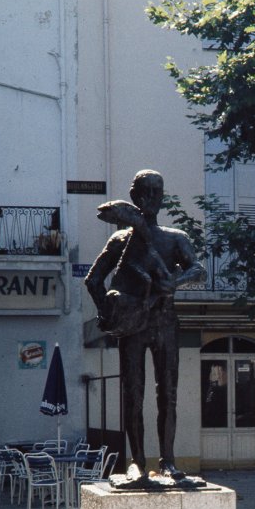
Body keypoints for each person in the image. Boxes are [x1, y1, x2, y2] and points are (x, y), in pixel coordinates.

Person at [85, 169, 206, 480]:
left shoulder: (174, 238)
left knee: (168, 393)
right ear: (135, 196)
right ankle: (137, 462)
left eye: (157, 191)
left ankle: (168, 460)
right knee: (133, 393)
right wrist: (110, 313)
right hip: (133, 325)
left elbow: (199, 270)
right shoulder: (121, 240)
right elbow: (94, 279)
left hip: (165, 322)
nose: (152, 197)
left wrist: (175, 281)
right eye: (146, 191)